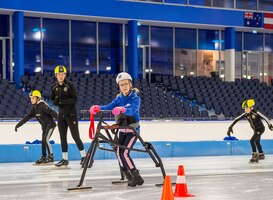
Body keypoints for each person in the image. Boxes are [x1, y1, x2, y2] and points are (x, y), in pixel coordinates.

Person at [89, 72, 144, 187]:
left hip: (132, 131)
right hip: (122, 130)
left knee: (124, 153)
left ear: (130, 84)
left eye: (125, 84)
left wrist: (122, 109)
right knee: (119, 153)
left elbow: (132, 110)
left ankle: (137, 176)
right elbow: (109, 106)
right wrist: (98, 108)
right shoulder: (119, 98)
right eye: (121, 85)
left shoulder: (135, 98)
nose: (124, 87)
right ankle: (127, 174)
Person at [50, 65, 86, 167]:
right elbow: (52, 99)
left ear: (65, 75)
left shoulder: (70, 85)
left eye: (63, 74)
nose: (61, 76)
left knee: (75, 136)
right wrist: (55, 102)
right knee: (62, 137)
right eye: (59, 74)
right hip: (61, 116)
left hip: (71, 114)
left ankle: (84, 157)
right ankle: (65, 159)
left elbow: (74, 99)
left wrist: (61, 102)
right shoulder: (54, 87)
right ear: (56, 75)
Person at [15, 90, 58, 165]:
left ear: (38, 98)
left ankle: (51, 156)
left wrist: (62, 120)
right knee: (43, 141)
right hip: (44, 126)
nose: (31, 100)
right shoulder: (34, 108)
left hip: (50, 125)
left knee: (46, 140)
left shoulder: (43, 106)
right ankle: (44, 157)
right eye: (31, 98)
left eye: (33, 98)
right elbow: (27, 117)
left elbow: (53, 113)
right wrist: (18, 125)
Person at [227, 99, 273, 163]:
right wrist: (230, 126)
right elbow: (237, 119)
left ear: (251, 108)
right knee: (257, 142)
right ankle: (261, 154)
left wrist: (270, 124)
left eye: (246, 108)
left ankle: (254, 155)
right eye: (244, 109)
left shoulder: (256, 112)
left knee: (252, 141)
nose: (245, 110)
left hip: (261, 129)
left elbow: (265, 117)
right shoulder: (246, 114)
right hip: (255, 130)